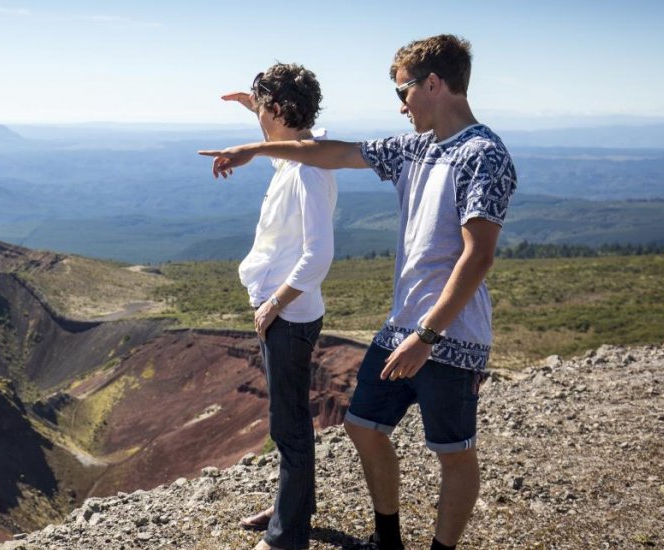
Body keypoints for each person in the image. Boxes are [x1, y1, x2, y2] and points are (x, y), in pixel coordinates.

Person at [201, 35, 516, 550]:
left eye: (404, 90)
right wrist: (256, 147)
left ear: (433, 84)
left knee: (454, 452)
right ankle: (387, 540)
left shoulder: (483, 154)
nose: (400, 103)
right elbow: (332, 152)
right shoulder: (417, 146)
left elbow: (478, 255)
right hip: (402, 326)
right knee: (363, 426)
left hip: (449, 335)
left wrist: (428, 336)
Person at [223, 63, 336, 550]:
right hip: (288, 315)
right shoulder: (300, 158)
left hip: (288, 318)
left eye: (262, 105)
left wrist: (273, 305)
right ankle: (295, 506)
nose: (259, 115)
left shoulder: (308, 171)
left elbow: (319, 256)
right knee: (290, 419)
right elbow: (281, 157)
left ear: (279, 109)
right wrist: (256, 113)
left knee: (287, 428)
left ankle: (287, 537)